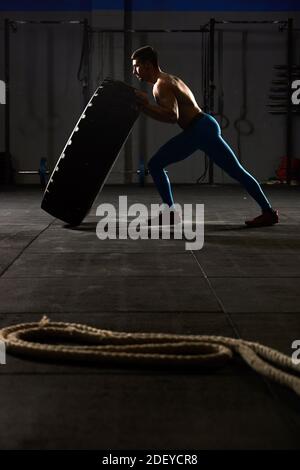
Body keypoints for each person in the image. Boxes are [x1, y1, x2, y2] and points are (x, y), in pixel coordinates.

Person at [131, 45, 279, 228]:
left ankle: (170, 213)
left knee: (155, 164)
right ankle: (268, 212)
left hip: (199, 130)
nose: (134, 71)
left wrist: (144, 106)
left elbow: (171, 116)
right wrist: (145, 107)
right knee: (237, 171)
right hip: (203, 126)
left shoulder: (161, 85)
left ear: (147, 65)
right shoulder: (169, 79)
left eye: (136, 66)